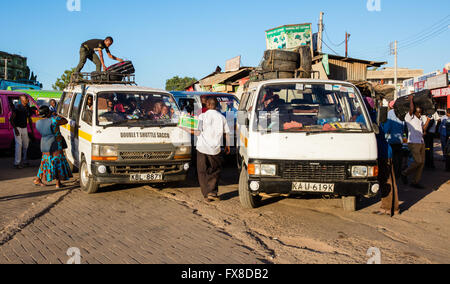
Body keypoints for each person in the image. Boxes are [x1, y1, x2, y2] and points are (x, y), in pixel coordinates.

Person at [182, 98, 231, 202]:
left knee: (202, 171)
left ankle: (206, 194)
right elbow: (227, 132)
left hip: (202, 148)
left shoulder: (202, 116)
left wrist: (184, 127)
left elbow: (197, 132)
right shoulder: (222, 117)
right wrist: (228, 145)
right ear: (217, 106)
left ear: (207, 105)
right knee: (215, 170)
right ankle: (212, 192)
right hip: (215, 149)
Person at [34, 106, 72, 189]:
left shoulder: (38, 123)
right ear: (48, 113)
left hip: (44, 144)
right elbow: (65, 121)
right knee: (57, 162)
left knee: (45, 162)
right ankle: (58, 183)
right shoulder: (54, 120)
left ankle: (38, 179)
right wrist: (56, 114)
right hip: (55, 143)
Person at [401, 96, 431, 189]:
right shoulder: (409, 117)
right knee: (418, 161)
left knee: (422, 163)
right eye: (418, 107)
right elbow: (411, 108)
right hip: (413, 142)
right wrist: (411, 99)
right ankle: (404, 173)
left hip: (421, 142)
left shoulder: (420, 119)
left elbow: (423, 129)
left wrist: (428, 121)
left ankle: (415, 181)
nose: (420, 108)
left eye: (420, 108)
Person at [9, 95, 35, 169]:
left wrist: (32, 130)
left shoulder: (27, 108)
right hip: (17, 127)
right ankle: (17, 163)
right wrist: (15, 129)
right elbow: (11, 119)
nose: (27, 100)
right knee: (19, 144)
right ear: (22, 100)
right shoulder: (17, 107)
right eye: (26, 98)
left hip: (24, 128)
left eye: (27, 98)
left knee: (26, 145)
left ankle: (25, 161)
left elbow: (29, 119)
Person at [382, 100, 405, 177]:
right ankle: (398, 173)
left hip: (391, 140)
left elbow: (387, 128)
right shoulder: (401, 114)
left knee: (393, 159)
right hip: (399, 140)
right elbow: (403, 126)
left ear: (390, 106)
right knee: (399, 158)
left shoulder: (389, 114)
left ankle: (393, 174)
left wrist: (384, 136)